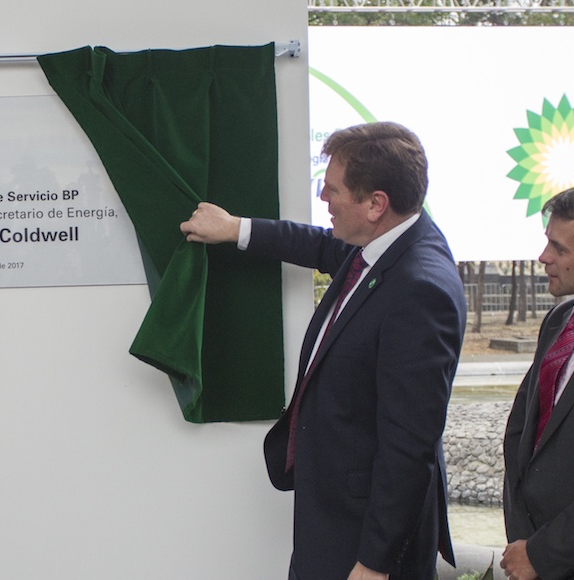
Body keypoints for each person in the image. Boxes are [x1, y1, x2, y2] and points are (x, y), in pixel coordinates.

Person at [180, 121, 466, 580]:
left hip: (363, 543)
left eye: (333, 190)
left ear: (375, 204)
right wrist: (235, 229)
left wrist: (375, 562)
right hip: (332, 522)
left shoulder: (419, 290)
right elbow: (317, 245)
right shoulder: (381, 246)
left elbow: (409, 446)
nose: (323, 198)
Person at [500, 180, 574, 580]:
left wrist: (543, 554)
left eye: (559, 248)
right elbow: (521, 434)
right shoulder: (559, 321)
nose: (544, 257)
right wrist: (524, 543)